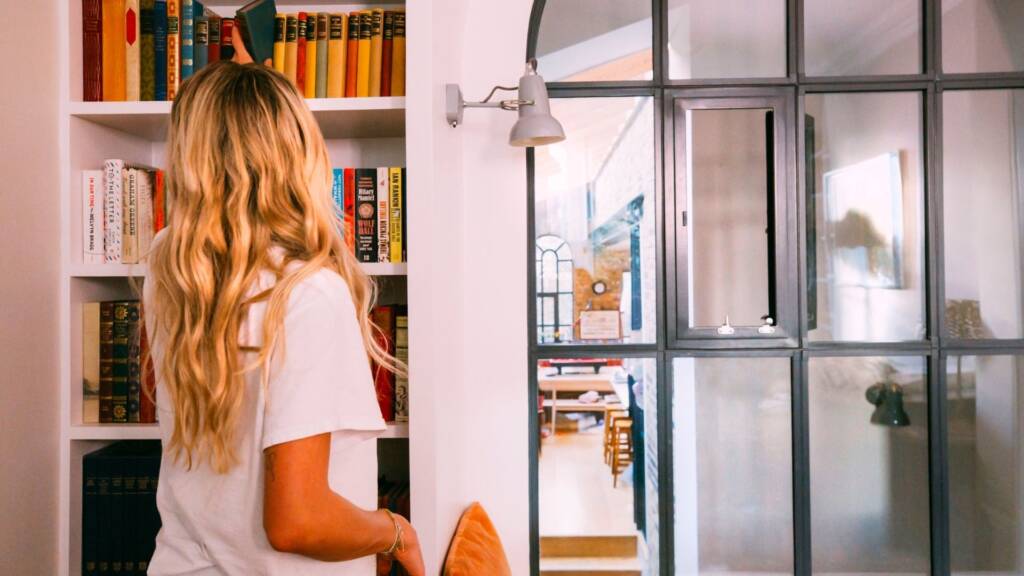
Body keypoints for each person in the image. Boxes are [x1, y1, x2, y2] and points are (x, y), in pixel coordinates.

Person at [141, 33, 424, 576]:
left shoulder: (173, 265)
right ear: (297, 152)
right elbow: (299, 521)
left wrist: (230, 90)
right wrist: (395, 534)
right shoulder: (307, 292)